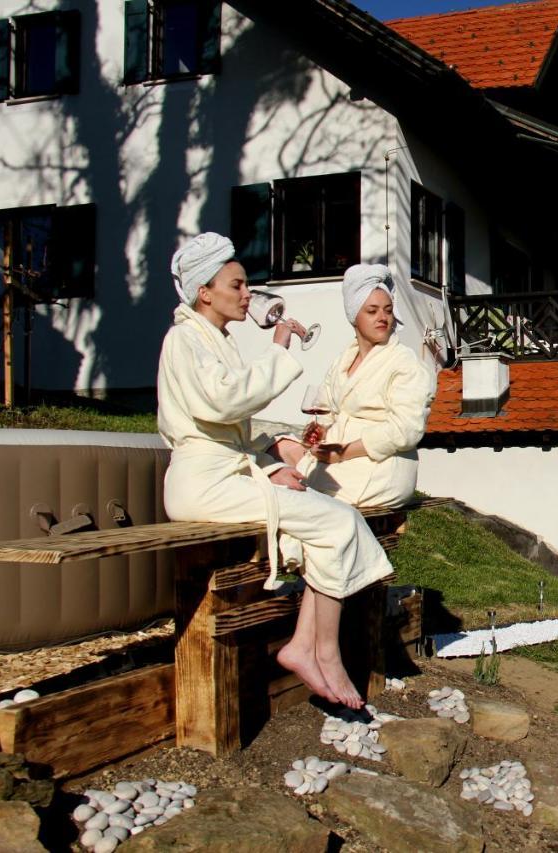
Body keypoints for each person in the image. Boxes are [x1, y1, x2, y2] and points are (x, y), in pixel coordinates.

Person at [157, 233, 389, 710]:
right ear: (206, 291)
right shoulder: (183, 339)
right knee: (337, 521)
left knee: (329, 518)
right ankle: (320, 649)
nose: (248, 295)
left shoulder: (213, 340)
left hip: (224, 475)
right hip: (201, 484)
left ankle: (310, 646)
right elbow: (222, 402)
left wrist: (267, 467)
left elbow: (230, 433)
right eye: (237, 285)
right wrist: (281, 350)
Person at [277, 264, 435, 507]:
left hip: (379, 468)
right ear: (354, 316)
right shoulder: (344, 360)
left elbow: (406, 430)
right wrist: (321, 431)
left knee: (289, 499)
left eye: (388, 310)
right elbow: (327, 410)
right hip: (334, 458)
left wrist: (343, 452)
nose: (382, 318)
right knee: (274, 449)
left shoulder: (404, 362)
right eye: (372, 311)